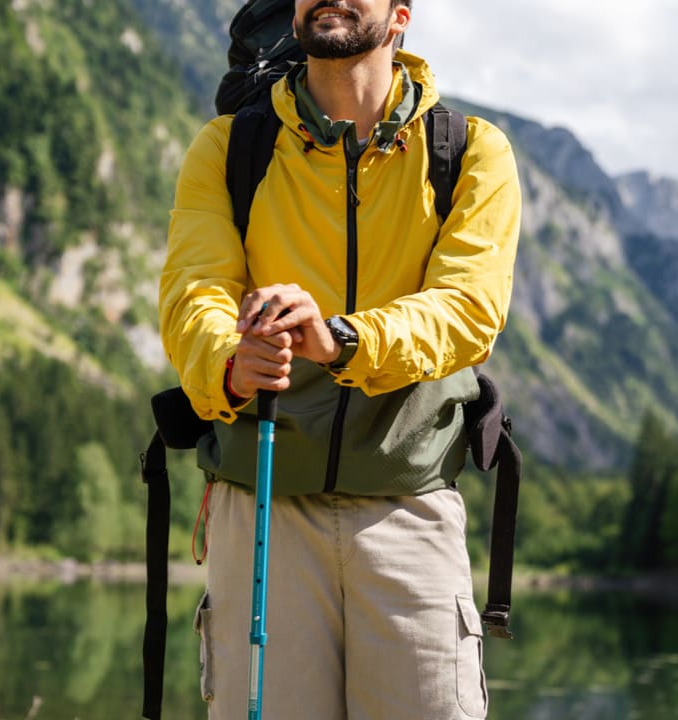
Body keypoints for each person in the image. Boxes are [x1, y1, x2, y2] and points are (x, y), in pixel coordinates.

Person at [158, 0, 522, 717]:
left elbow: (469, 310)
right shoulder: (229, 148)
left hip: (408, 509)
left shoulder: (470, 151)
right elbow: (192, 293)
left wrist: (343, 339)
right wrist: (230, 363)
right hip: (263, 507)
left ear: (400, 15)